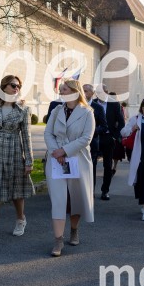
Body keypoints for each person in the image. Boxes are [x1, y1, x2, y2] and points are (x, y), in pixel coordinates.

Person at [0, 75, 35, 244]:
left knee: (16, 190)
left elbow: (27, 136)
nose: (16, 88)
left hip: (14, 152)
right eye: (13, 85)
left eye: (18, 86)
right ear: (4, 87)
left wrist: (29, 160)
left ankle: (20, 219)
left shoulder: (23, 109)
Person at [43, 78, 95, 257]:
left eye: (64, 89)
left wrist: (64, 151)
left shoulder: (87, 112)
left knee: (75, 198)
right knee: (58, 199)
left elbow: (86, 138)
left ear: (74, 91)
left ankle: (74, 229)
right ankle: (58, 240)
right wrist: (55, 152)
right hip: (56, 161)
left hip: (77, 160)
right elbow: (48, 132)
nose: (61, 92)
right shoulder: (57, 110)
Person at [98, 85, 125, 199]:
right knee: (91, 164)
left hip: (108, 138)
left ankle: (105, 190)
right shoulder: (93, 104)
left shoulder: (114, 104)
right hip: (94, 137)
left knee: (107, 165)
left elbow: (121, 122)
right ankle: (89, 191)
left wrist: (114, 136)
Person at [83, 84, 108, 193]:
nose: (83, 93)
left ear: (92, 93)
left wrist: (91, 131)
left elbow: (104, 126)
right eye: (82, 90)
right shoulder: (76, 106)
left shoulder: (98, 108)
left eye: (86, 91)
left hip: (92, 144)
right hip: (76, 143)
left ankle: (90, 194)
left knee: (90, 169)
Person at [110, 92, 127, 169]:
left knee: (116, 151)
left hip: (118, 132)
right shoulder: (107, 106)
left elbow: (123, 119)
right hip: (110, 131)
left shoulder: (119, 106)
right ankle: (110, 166)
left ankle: (114, 166)